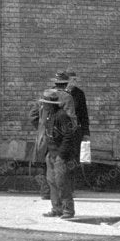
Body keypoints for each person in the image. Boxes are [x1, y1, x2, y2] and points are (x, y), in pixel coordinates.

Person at [35, 87, 78, 219]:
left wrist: (61, 155)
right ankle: (56, 208)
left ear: (50, 104)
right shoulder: (49, 115)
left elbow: (68, 136)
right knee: (51, 181)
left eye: (44, 103)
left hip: (60, 155)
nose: (43, 105)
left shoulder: (62, 116)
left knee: (62, 182)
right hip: (51, 153)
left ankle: (68, 210)